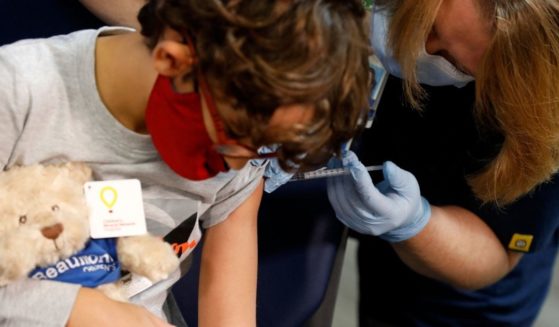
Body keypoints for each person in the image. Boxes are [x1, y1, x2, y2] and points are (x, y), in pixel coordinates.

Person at [0, 0, 371, 326]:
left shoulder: (241, 163)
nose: (239, 165)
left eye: (265, 146)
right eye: (239, 134)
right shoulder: (18, 92)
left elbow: (230, 317)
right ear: (172, 60)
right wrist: (75, 310)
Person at [327, 0, 559, 325]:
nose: (423, 48)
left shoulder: (543, 103)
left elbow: (496, 255)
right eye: (431, 25)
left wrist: (413, 224)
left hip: (456, 278)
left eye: (455, 63)